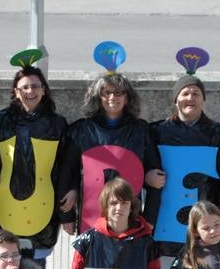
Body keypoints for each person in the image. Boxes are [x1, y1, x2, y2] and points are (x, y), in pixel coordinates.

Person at [145, 62, 220, 263]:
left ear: (204, 99)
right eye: (185, 93)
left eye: (196, 94)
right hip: (164, 226)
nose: (190, 98)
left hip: (205, 227)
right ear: (176, 100)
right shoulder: (156, 132)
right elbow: (140, 165)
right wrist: (146, 176)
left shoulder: (219, 135)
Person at [0, 55, 74, 260]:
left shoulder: (57, 124)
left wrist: (70, 203)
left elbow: (66, 166)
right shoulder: (0, 121)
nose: (30, 91)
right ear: (16, 92)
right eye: (24, 87)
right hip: (8, 206)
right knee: (6, 265)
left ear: (44, 90)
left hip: (44, 209)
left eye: (35, 86)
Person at [65, 65, 163, 232]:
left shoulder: (140, 130)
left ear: (127, 97)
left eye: (118, 93)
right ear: (98, 97)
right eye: (107, 92)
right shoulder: (82, 129)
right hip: (91, 217)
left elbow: (156, 178)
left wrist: (150, 219)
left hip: (129, 217)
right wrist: (67, 216)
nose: (112, 97)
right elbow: (68, 171)